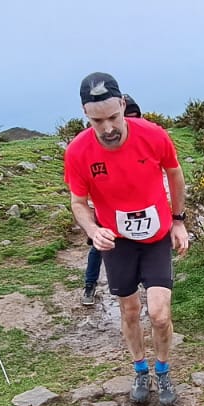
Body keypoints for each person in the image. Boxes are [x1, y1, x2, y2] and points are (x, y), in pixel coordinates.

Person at [65, 72, 190, 406]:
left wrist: (178, 221)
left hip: (156, 235)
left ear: (123, 105)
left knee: (160, 314)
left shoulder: (153, 135)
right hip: (117, 241)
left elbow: (175, 173)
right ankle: (139, 370)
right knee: (130, 310)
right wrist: (93, 231)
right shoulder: (78, 152)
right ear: (85, 115)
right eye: (97, 120)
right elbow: (78, 203)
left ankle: (162, 371)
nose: (107, 128)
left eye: (113, 117)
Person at [81, 93, 143, 306]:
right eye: (130, 117)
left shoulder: (142, 140)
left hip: (136, 209)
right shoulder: (94, 146)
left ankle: (143, 282)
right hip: (104, 209)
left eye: (137, 118)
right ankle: (89, 286)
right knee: (98, 247)